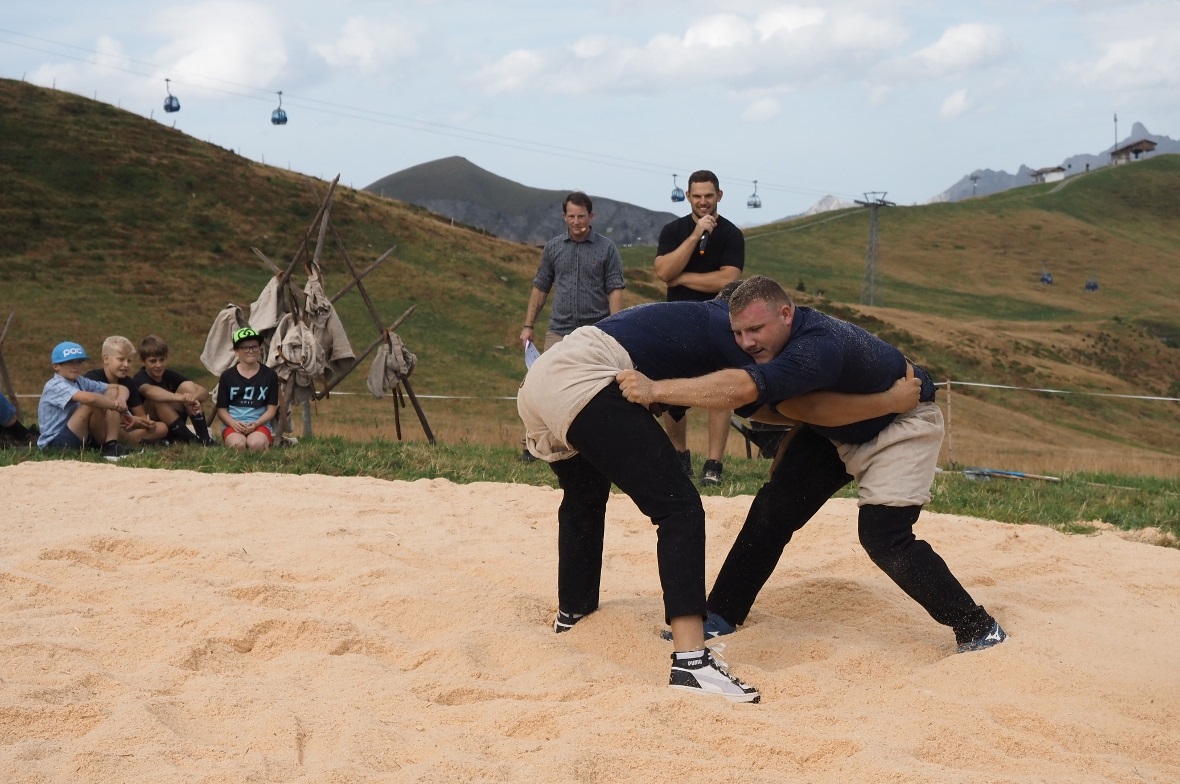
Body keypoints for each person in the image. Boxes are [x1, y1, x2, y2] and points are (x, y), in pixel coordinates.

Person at [517, 296, 920, 703]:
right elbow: (782, 402)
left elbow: (765, 407)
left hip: (542, 381)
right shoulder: (730, 335)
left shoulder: (687, 320)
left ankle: (574, 615)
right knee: (680, 510)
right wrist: (887, 403)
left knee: (584, 497)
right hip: (586, 380)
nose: (750, 340)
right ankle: (692, 663)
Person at [617, 276, 1006, 654]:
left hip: (901, 424)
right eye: (738, 333)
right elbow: (789, 408)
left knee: (884, 537)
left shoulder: (815, 347)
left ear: (786, 314)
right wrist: (791, 449)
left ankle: (978, 627)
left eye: (756, 329)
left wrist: (654, 389)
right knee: (773, 509)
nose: (746, 342)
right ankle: (720, 613)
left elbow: (795, 402)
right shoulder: (774, 346)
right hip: (841, 426)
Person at [518, 191, 625, 461]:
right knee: (541, 385)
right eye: (571, 216)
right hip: (559, 329)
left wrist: (617, 326)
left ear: (591, 216)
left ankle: (601, 445)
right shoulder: (553, 248)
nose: (576, 222)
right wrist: (528, 325)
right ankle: (535, 446)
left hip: (596, 331)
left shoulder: (607, 248)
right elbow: (540, 287)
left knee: (599, 388)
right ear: (564, 216)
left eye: (581, 216)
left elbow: (614, 289)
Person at [654, 170, 744, 487]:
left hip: (719, 322)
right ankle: (680, 456)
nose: (703, 201)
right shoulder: (673, 230)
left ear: (719, 196)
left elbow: (727, 280)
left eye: (708, 195)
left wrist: (682, 278)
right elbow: (664, 270)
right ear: (689, 197)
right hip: (676, 321)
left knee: (720, 391)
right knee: (671, 390)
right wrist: (694, 236)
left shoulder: (732, 234)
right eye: (697, 196)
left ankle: (714, 463)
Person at [36, 341, 134, 461]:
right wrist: (118, 408)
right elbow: (90, 399)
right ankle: (106, 447)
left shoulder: (80, 380)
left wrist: (121, 400)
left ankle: (111, 445)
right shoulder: (55, 385)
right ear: (56, 366)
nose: (76, 366)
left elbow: (120, 387)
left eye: (79, 362)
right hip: (54, 443)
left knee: (112, 392)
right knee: (90, 404)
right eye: (70, 362)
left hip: (76, 434)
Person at [84, 336, 169, 447]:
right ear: (106, 359)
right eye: (121, 359)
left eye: (129, 361)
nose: (126, 365)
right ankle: (129, 441)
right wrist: (128, 420)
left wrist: (147, 423)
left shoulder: (128, 382)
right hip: (100, 427)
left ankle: (129, 440)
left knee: (162, 428)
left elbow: (141, 415)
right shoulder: (92, 379)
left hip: (126, 427)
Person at [133, 334, 215, 445]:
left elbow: (204, 392)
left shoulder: (169, 375)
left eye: (162, 360)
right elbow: (149, 391)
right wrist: (181, 398)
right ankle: (193, 441)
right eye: (153, 361)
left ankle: (205, 439)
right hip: (153, 427)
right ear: (143, 362)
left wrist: (192, 398)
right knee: (157, 401)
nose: (158, 365)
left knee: (188, 388)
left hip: (173, 425)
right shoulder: (140, 377)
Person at [215, 328, 279, 451]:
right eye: (245, 347)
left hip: (259, 424)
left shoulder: (270, 375)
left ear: (260, 349)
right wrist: (233, 424)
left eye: (254, 347)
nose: (250, 351)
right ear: (236, 351)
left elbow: (271, 410)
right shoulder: (227, 376)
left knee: (256, 444)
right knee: (238, 445)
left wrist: (256, 423)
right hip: (233, 424)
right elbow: (221, 410)